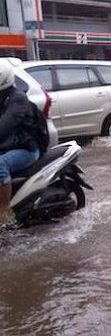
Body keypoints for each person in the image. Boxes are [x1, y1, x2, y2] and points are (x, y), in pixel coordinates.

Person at [0, 62, 40, 226]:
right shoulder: (2, 97)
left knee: (0, 164)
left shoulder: (17, 99)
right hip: (7, 146)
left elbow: (4, 126)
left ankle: (4, 208)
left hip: (26, 149)